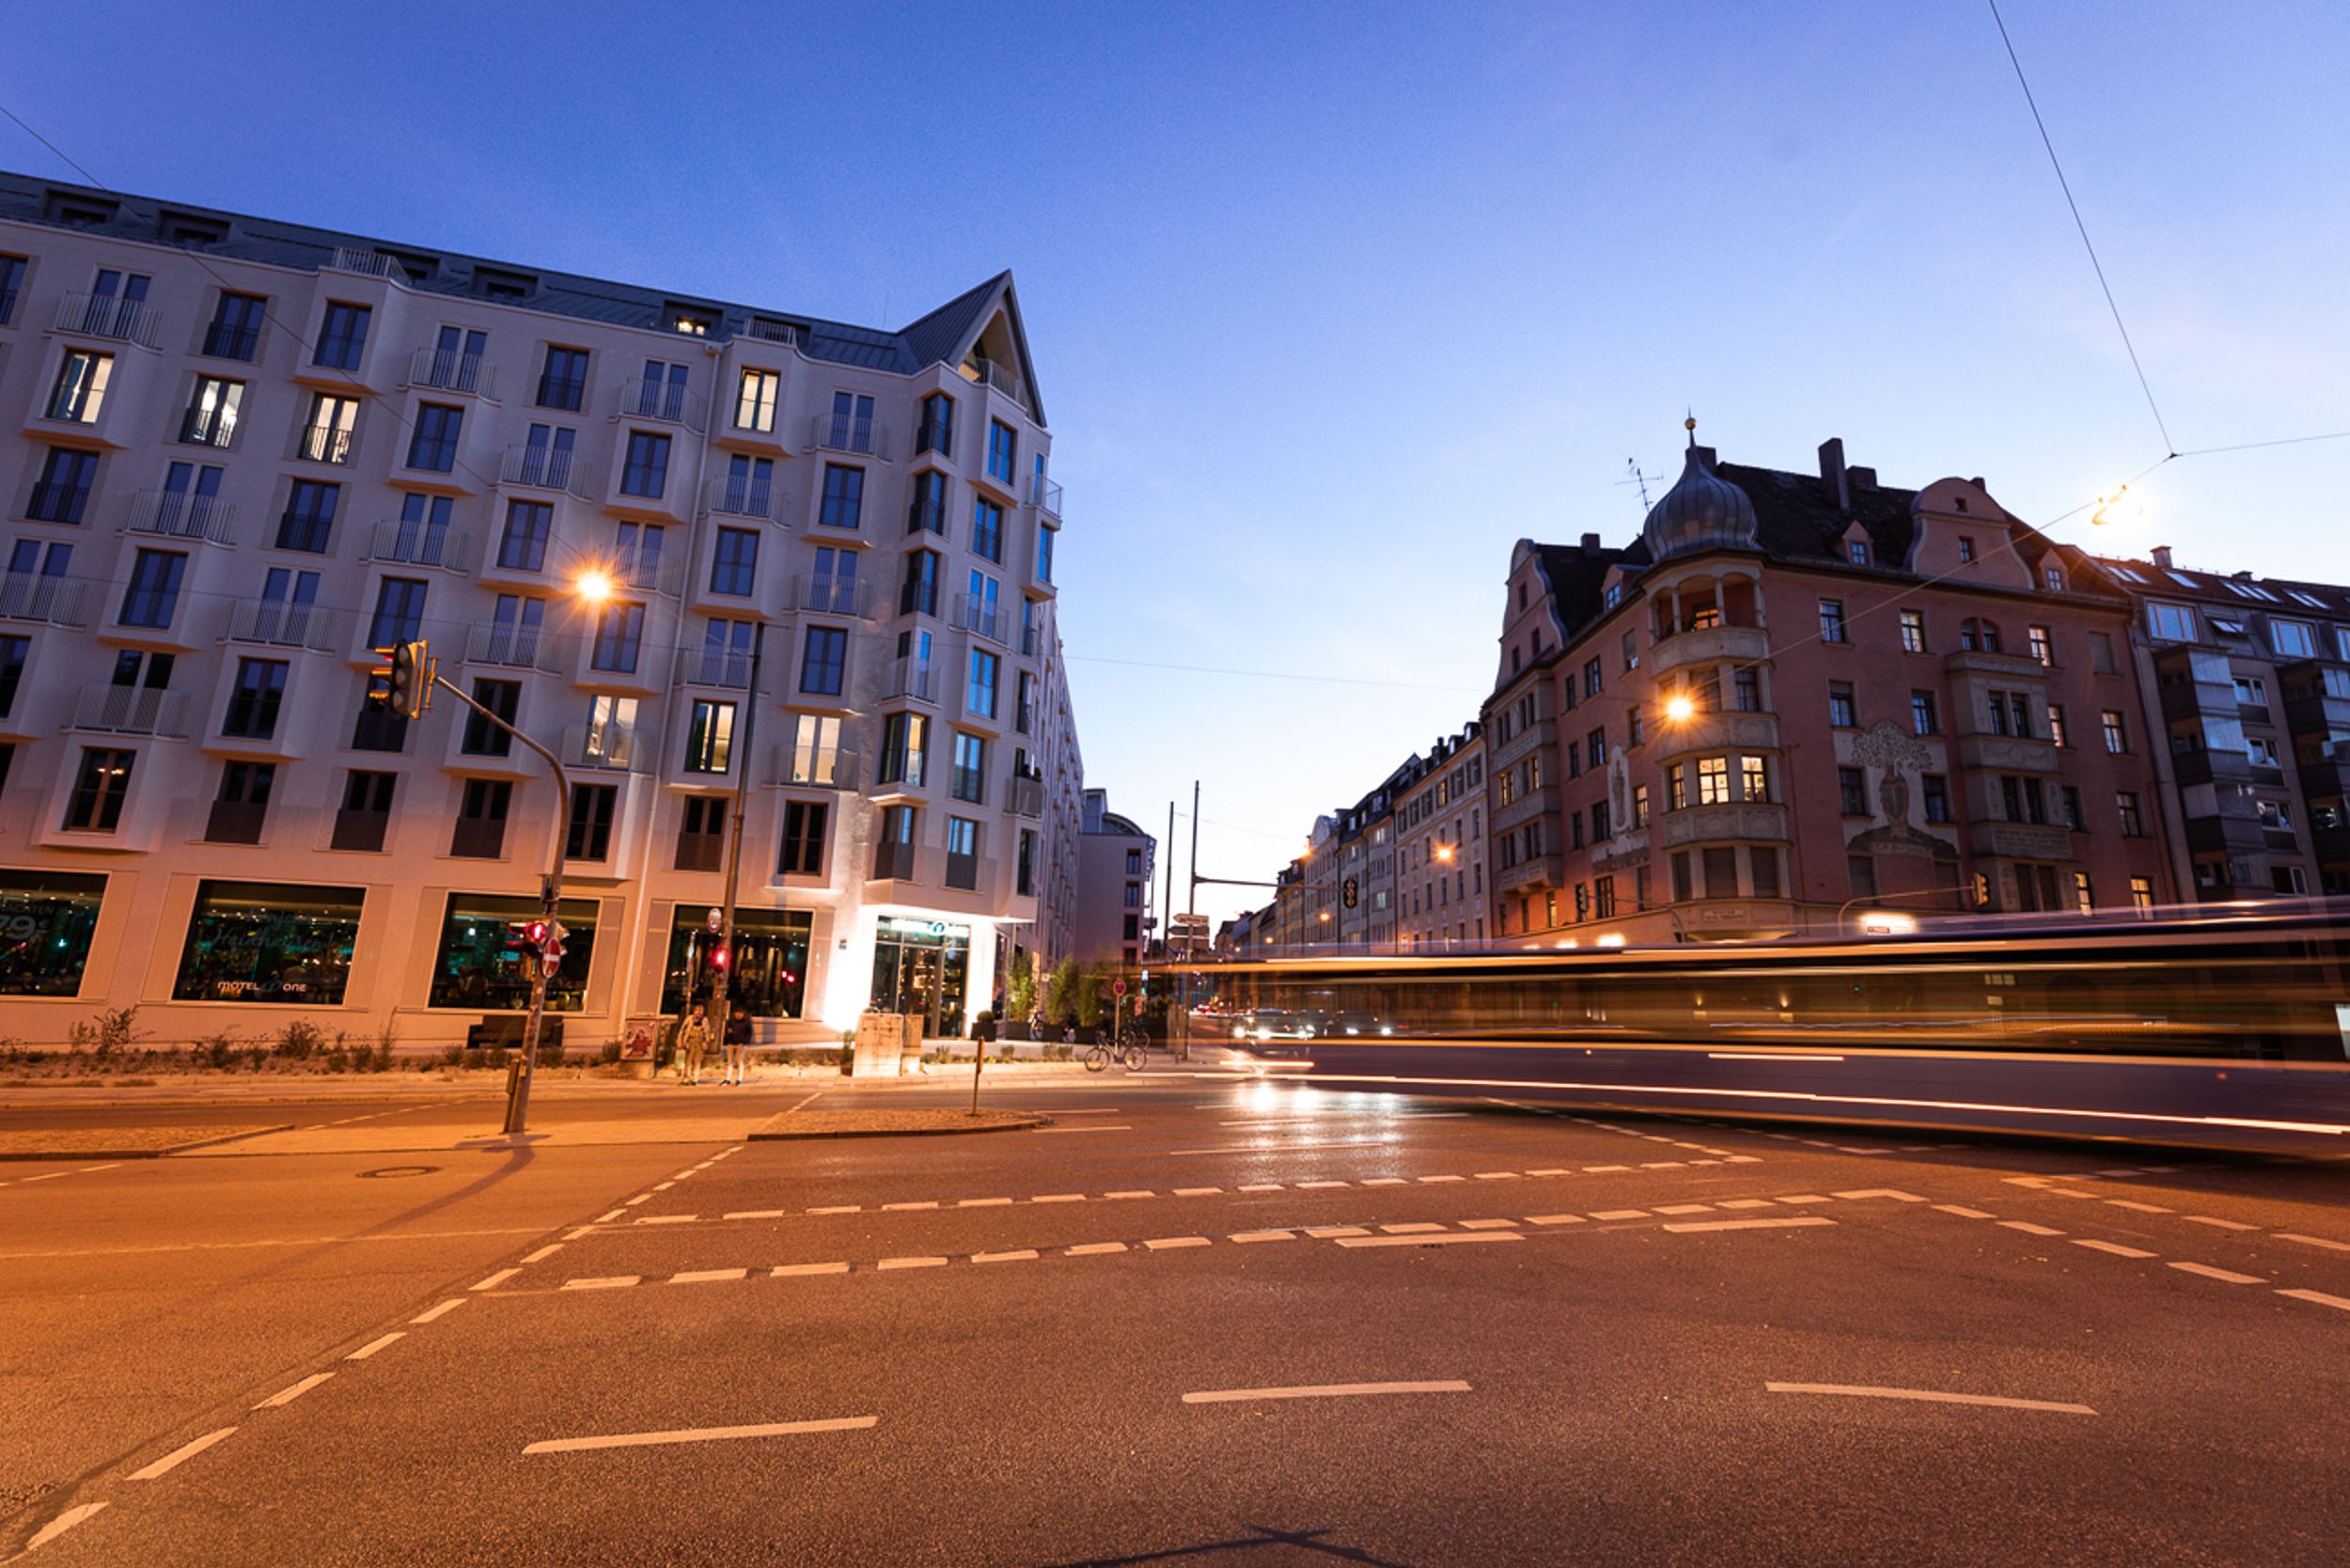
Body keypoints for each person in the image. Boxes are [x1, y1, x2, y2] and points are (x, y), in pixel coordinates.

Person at [674, 1004, 711, 1086]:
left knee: (697, 1062)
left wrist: (706, 1042)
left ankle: (695, 1079)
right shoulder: (689, 1019)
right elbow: (682, 1031)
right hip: (689, 1041)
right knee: (688, 1061)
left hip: (700, 1042)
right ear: (694, 1011)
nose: (699, 1013)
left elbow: (707, 1032)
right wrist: (680, 1042)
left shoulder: (705, 1020)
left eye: (701, 1011)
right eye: (697, 1011)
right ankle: (686, 1078)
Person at [720, 1006, 753, 1087]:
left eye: (740, 1014)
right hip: (731, 1043)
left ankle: (739, 1079)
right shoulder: (730, 1020)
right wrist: (728, 1034)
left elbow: (749, 1033)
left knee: (739, 1061)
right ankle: (727, 1079)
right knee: (730, 1062)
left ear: (743, 1014)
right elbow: (726, 1030)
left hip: (741, 1044)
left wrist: (744, 1042)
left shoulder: (747, 1021)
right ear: (734, 1014)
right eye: (736, 1013)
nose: (738, 1015)